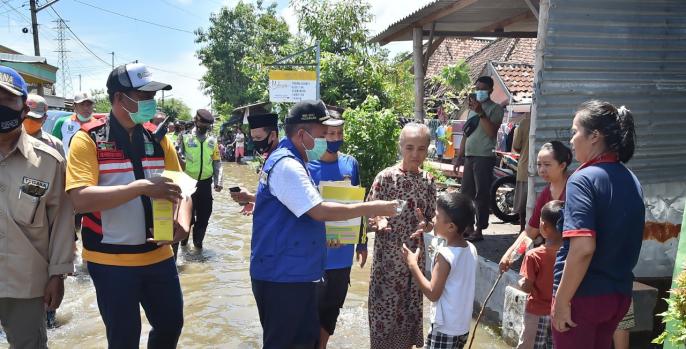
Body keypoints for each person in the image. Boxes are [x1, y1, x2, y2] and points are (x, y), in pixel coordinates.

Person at [250, 100, 398, 348]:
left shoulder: (294, 161)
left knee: (305, 341)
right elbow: (318, 211)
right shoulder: (288, 165)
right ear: (302, 134)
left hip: (293, 272)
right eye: (321, 135)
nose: (325, 142)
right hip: (283, 277)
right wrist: (372, 207)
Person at [65, 63, 192, 348]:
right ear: (121, 98)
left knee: (171, 325)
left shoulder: (158, 139)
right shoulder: (88, 139)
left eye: (152, 97)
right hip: (110, 260)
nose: (150, 103)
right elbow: (79, 199)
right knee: (124, 338)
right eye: (144, 96)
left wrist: (183, 223)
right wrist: (141, 188)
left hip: (159, 254)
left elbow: (183, 188)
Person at [552, 100, 644, 349]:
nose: (571, 140)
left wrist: (561, 302)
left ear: (594, 136)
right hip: (618, 295)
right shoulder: (631, 179)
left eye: (575, 132)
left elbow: (583, 249)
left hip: (583, 298)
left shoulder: (582, 180)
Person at [0, 66, 75, 348]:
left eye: (7, 100)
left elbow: (62, 224)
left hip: (26, 286)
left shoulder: (49, 161)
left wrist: (58, 274)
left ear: (23, 108)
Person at [366, 122, 437, 349]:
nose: (415, 154)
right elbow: (367, 214)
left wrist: (426, 225)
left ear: (427, 149)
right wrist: (379, 221)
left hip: (414, 258)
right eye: (409, 148)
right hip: (387, 261)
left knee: (410, 311)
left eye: (421, 148)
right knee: (383, 314)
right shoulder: (385, 178)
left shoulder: (429, 181)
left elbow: (432, 219)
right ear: (400, 147)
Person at [307, 112, 367, 348]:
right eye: (331, 134)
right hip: (314, 254)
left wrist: (361, 243)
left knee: (332, 309)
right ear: (321, 136)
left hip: (343, 254)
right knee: (310, 309)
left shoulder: (350, 164)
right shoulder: (307, 166)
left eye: (340, 133)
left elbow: (358, 205)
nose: (336, 138)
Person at [402, 192, 478, 349]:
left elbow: (432, 293)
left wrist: (412, 265)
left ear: (451, 227)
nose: (433, 221)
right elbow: (443, 244)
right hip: (461, 326)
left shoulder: (444, 256)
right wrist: (426, 226)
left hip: (445, 329)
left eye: (436, 217)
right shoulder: (470, 248)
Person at [499, 141, 572, 272]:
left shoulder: (575, 189)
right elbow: (531, 232)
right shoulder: (545, 194)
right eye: (539, 164)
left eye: (547, 165)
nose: (542, 169)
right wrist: (511, 255)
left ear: (562, 165)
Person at [453, 76, 505, 241]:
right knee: (466, 194)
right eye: (477, 88)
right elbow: (466, 135)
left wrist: (481, 112)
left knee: (481, 195)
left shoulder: (495, 109)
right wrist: (459, 157)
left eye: (482, 89)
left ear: (490, 90)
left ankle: (479, 230)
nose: (479, 92)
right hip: (469, 157)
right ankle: (468, 227)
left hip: (484, 157)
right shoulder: (471, 111)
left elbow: (491, 132)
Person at [517, 200, 563, 349]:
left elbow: (527, 287)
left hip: (536, 312)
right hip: (560, 313)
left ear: (543, 226)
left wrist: (520, 283)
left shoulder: (533, 255)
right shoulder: (570, 255)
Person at [178, 109, 223, 249]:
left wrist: (218, 181)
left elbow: (217, 161)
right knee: (187, 218)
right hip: (187, 185)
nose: (205, 127)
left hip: (205, 184)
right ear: (196, 121)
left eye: (208, 125)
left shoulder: (212, 140)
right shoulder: (184, 137)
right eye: (203, 123)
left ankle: (198, 246)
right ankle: (183, 245)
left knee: (204, 217)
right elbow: (178, 156)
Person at [229, 113, 279, 215]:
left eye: (259, 138)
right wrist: (255, 203)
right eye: (253, 138)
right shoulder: (268, 157)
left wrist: (250, 197)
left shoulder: (282, 162)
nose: (256, 142)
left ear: (273, 135)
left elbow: (284, 201)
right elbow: (269, 193)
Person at [52, 91, 96, 156]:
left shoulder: (98, 125)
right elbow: (53, 148)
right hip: (67, 165)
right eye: (82, 104)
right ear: (74, 106)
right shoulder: (62, 122)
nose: (86, 108)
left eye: (89, 105)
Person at [512, 114, 531, 233]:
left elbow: (516, 146)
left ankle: (522, 229)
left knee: (523, 203)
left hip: (525, 167)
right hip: (547, 170)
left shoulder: (524, 123)